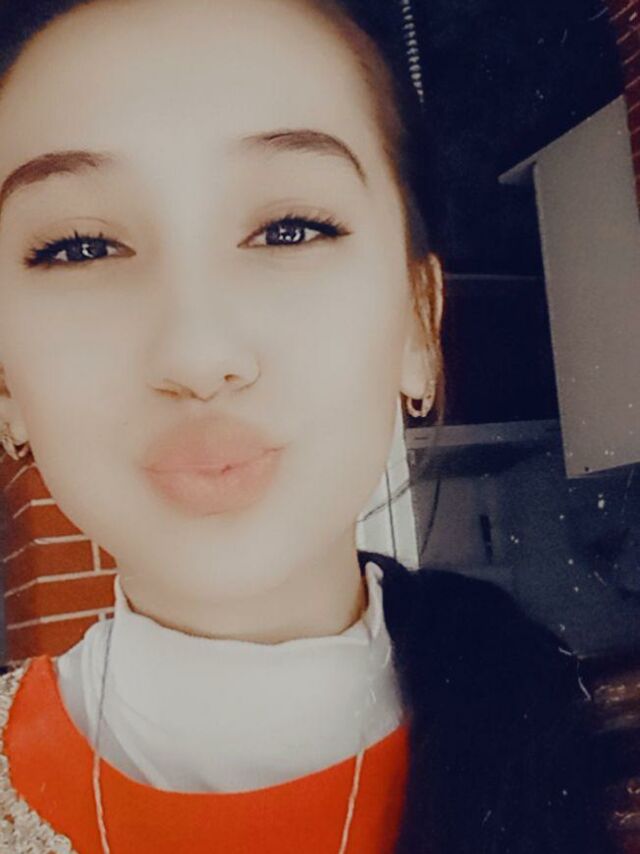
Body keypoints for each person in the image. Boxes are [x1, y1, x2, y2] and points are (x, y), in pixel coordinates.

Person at [0, 0, 621, 851]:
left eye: (289, 230)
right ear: (6, 378)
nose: (197, 355)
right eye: (80, 246)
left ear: (417, 321)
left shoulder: (601, 780)